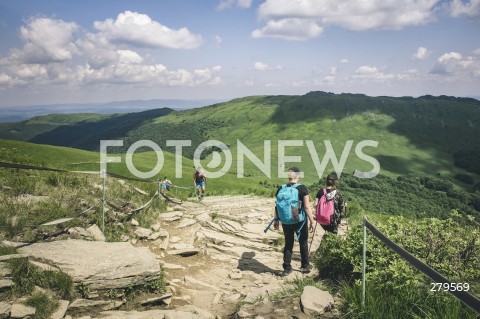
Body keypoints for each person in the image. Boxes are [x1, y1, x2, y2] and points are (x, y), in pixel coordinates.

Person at [273, 167, 315, 276]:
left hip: (285, 221)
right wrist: (312, 220)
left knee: (288, 243)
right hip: (299, 220)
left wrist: (276, 219)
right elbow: (306, 207)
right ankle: (305, 266)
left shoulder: (280, 188)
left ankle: (287, 268)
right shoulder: (302, 188)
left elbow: (277, 206)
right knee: (303, 242)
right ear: (298, 176)